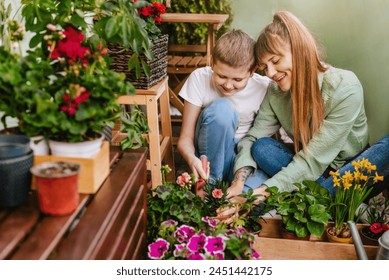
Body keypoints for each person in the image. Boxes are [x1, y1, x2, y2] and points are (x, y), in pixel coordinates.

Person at [225, 11, 389, 205]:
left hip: (351, 170)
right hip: (309, 171)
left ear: (300, 49)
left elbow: (313, 161)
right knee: (261, 147)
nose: (269, 72)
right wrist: (238, 180)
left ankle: (319, 201)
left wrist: (259, 195)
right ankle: (334, 204)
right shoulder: (276, 91)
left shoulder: (345, 86)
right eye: (264, 67)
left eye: (275, 61)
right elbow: (253, 138)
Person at [177, 29, 270, 188]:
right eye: (221, 76)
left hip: (244, 158)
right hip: (210, 154)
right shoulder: (199, 78)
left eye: (237, 79)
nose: (228, 85)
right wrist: (192, 159)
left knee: (253, 198)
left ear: (253, 70)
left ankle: (229, 194)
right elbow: (185, 138)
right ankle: (209, 186)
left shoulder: (264, 87)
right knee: (223, 109)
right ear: (212, 61)